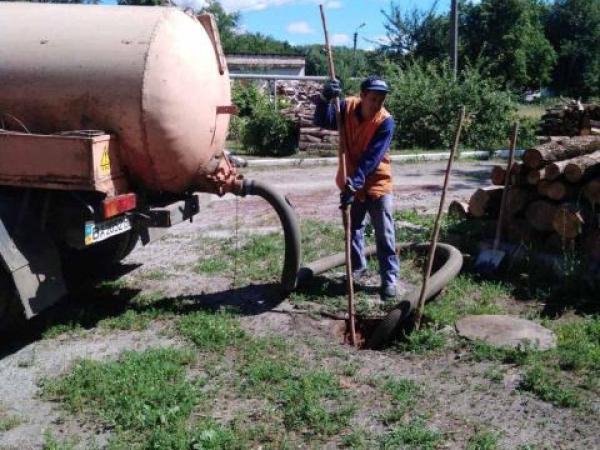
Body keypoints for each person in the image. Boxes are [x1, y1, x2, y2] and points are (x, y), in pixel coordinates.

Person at [314, 76, 399, 300]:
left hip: (377, 184)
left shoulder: (385, 122)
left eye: (381, 99)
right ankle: (357, 269)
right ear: (362, 96)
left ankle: (389, 279)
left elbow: (372, 158)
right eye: (373, 98)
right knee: (353, 230)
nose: (377, 104)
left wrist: (354, 184)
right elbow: (323, 120)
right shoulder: (347, 107)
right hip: (353, 180)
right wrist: (324, 99)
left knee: (385, 234)